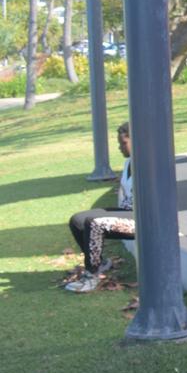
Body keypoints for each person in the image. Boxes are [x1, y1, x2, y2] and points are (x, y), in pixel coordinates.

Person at [65, 122, 136, 293]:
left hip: (143, 220)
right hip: (128, 212)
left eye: (123, 143)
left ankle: (92, 276)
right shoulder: (128, 163)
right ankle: (100, 263)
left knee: (95, 223)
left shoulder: (148, 164)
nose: (119, 148)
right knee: (78, 220)